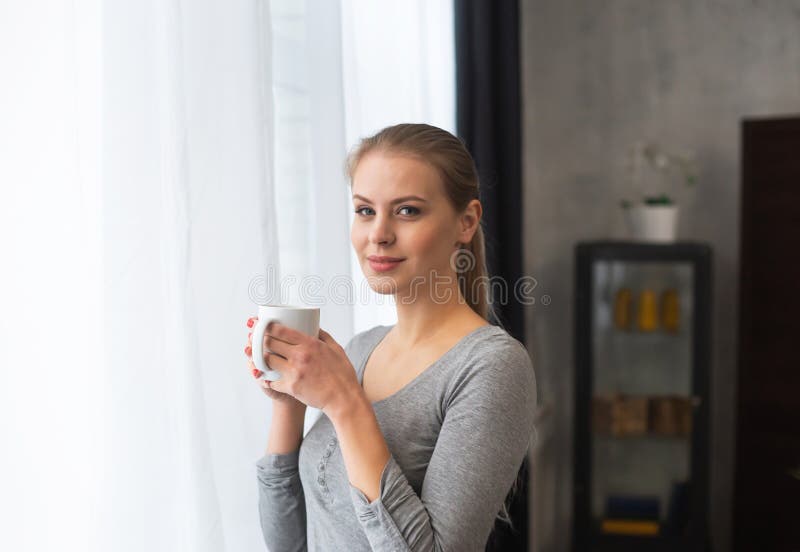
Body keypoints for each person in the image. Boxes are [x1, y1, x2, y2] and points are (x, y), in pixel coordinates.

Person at [244, 123, 537, 551]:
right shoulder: (362, 350)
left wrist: (343, 403)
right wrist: (289, 401)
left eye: (407, 211)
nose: (378, 233)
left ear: (466, 222)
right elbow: (290, 544)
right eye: (365, 210)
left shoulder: (491, 367)